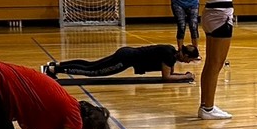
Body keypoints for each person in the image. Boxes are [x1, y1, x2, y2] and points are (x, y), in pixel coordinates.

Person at [43, 44, 197, 82]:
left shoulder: (170, 50)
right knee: (92, 71)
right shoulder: (169, 56)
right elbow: (167, 77)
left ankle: (55, 66)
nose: (188, 62)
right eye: (189, 59)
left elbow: (168, 73)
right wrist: (185, 76)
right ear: (184, 55)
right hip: (126, 59)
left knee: (91, 64)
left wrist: (183, 75)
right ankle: (53, 70)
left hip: (126, 52)